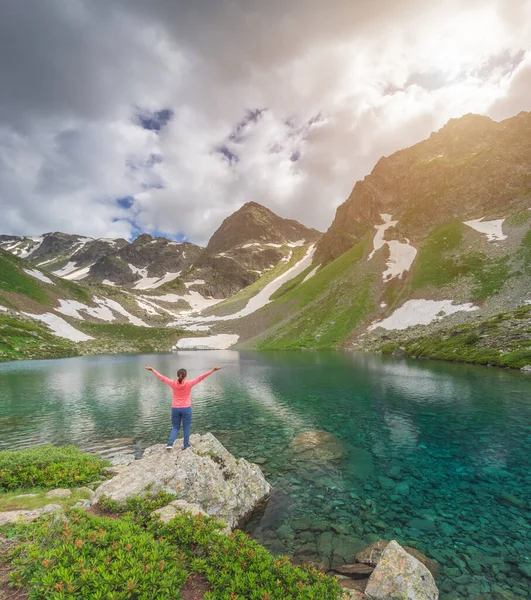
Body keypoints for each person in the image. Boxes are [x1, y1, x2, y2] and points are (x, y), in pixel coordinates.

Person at [145, 365, 222, 450]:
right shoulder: (189, 383)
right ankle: (186, 445)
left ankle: (170, 444)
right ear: (185, 376)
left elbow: (162, 378)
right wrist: (212, 370)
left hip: (175, 408)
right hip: (186, 409)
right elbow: (201, 378)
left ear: (177, 375)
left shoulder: (173, 383)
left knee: (175, 427)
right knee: (186, 427)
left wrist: (153, 370)